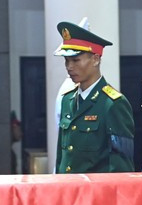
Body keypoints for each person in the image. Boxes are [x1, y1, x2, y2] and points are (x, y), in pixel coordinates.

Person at [53, 20, 134, 173]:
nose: (69, 67)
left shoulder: (113, 103)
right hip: (67, 186)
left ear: (95, 59)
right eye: (66, 61)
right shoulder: (67, 100)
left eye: (75, 60)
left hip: (95, 188)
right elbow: (62, 157)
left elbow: (121, 166)